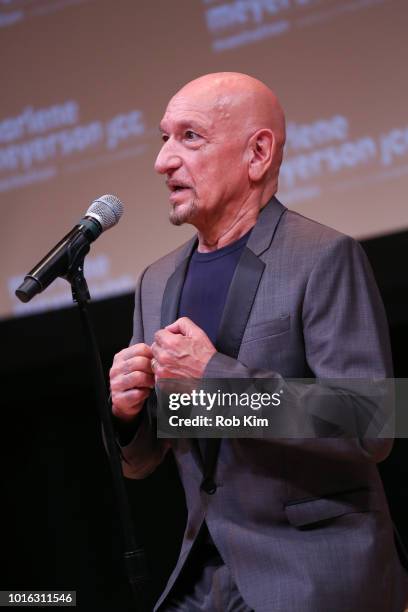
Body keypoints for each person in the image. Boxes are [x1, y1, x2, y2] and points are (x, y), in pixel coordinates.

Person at [109, 73, 408, 611]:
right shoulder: (156, 281)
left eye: (190, 137)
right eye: (163, 139)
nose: (164, 161)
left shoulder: (321, 257)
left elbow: (372, 423)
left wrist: (215, 377)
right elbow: (144, 459)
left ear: (258, 153)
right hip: (203, 579)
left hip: (311, 573)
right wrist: (130, 415)